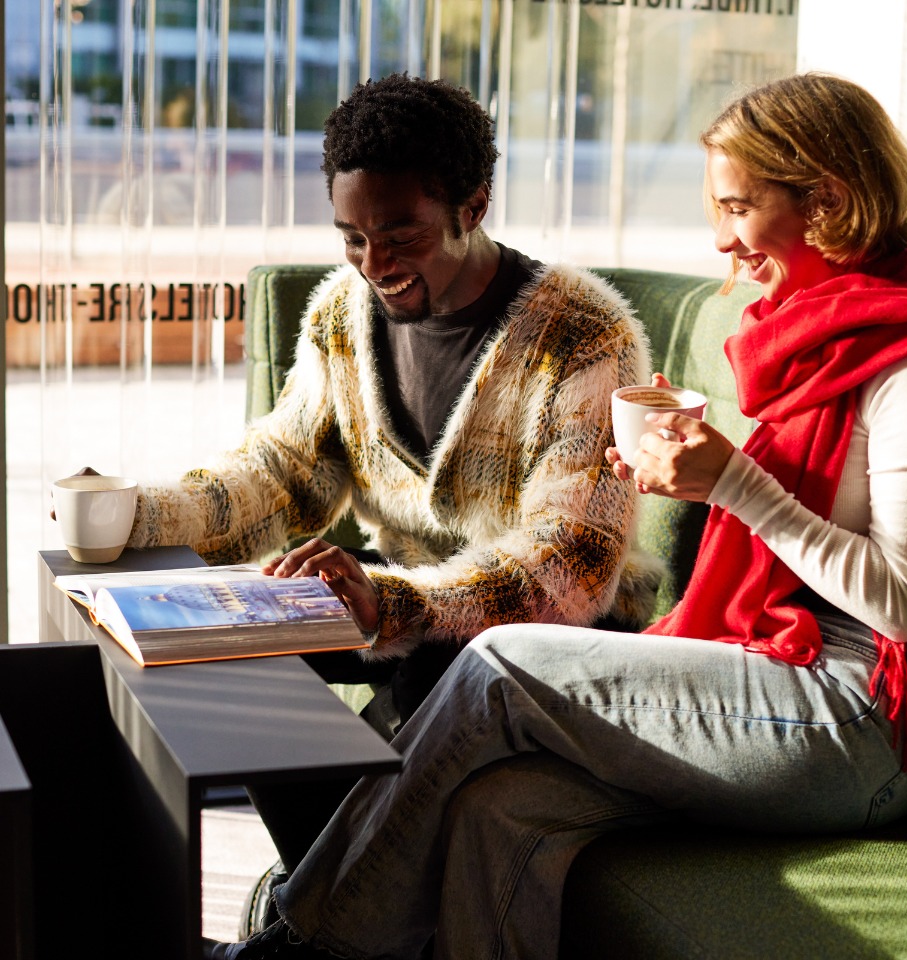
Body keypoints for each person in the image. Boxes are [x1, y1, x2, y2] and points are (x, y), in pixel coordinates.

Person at [202, 71, 907, 960]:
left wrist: (733, 485)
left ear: (825, 200)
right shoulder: (811, 333)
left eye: (737, 207)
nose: (720, 238)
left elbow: (901, 601)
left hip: (859, 721)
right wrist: (701, 473)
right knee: (500, 809)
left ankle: (297, 944)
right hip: (776, 675)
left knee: (497, 665)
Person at [87, 74, 664, 890]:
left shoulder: (579, 334)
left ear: (475, 203)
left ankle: (314, 921)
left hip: (556, 638)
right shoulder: (338, 316)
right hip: (398, 613)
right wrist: (129, 516)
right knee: (220, 662)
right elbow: (281, 474)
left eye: (400, 234)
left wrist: (390, 603)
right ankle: (328, 909)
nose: (374, 264)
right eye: (352, 237)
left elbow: (569, 565)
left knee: (440, 675)